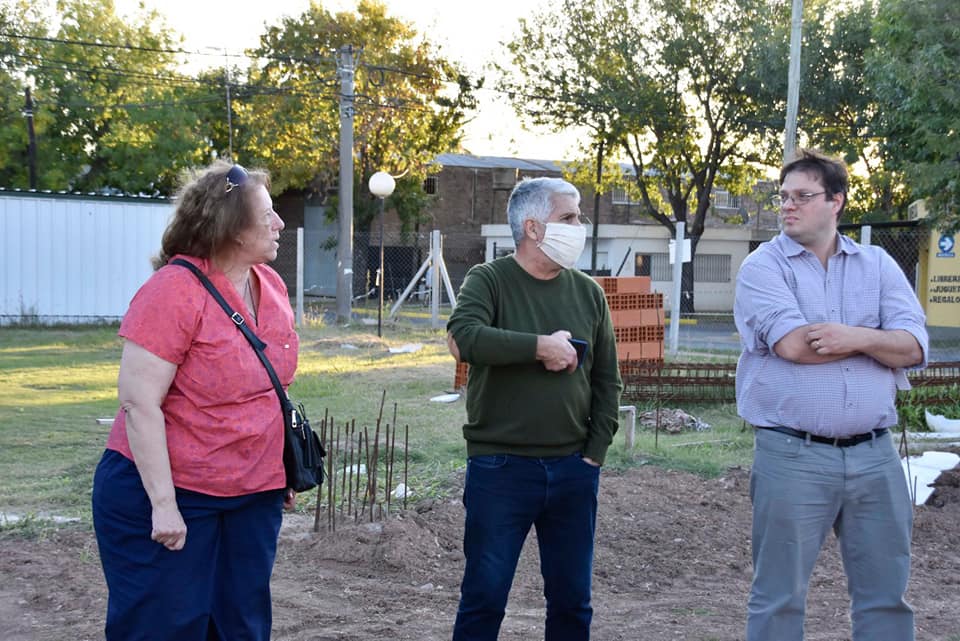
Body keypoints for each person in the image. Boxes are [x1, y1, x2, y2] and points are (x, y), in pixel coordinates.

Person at [92, 160, 298, 641]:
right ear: (232, 230)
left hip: (251, 495)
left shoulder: (271, 285)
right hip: (171, 491)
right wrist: (163, 505)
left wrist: (277, 465)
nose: (279, 223)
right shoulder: (174, 290)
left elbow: (271, 385)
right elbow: (139, 403)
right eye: (267, 214)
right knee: (166, 626)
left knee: (241, 626)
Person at [734, 148, 928, 641]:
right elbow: (796, 346)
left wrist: (854, 336)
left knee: (887, 598)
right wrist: (877, 341)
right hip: (792, 454)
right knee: (779, 598)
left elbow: (913, 348)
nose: (788, 206)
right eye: (784, 197)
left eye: (803, 196)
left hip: (876, 456)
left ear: (836, 201)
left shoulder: (878, 264)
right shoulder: (764, 267)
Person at [446, 176, 623, 641]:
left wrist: (595, 451)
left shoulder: (588, 293)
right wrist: (539, 347)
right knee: (484, 598)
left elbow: (608, 379)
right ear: (533, 228)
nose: (579, 226)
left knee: (571, 602)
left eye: (578, 217)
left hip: (572, 469)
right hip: (500, 467)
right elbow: (464, 336)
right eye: (568, 218)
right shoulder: (489, 280)